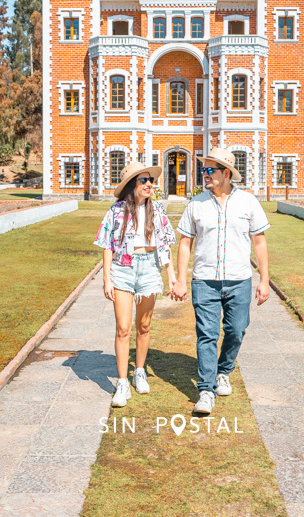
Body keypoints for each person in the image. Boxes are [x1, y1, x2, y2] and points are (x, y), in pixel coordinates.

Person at [172, 147, 270, 414]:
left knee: (236, 331)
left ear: (226, 173)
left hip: (239, 280)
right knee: (207, 335)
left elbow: (259, 242)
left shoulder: (248, 202)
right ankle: (205, 390)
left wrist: (264, 279)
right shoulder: (196, 204)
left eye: (209, 170)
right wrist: (181, 279)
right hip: (204, 280)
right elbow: (184, 243)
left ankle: (223, 371)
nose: (204, 174)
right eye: (204, 169)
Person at [94, 161, 176, 407]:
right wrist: (107, 278)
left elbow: (165, 244)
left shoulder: (158, 210)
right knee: (122, 328)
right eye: (144, 180)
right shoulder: (117, 211)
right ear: (132, 184)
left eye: (150, 180)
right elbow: (107, 245)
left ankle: (139, 371)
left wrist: (170, 274)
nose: (149, 184)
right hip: (123, 270)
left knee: (144, 325)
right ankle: (122, 382)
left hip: (150, 268)